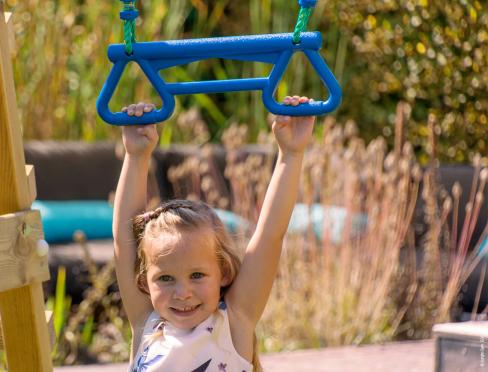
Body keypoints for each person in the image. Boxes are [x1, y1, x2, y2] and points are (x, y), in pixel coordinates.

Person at [113, 96, 316, 372]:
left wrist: (291, 154)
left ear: (224, 272)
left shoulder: (233, 323)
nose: (182, 293)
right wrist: (136, 156)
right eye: (165, 278)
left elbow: (270, 235)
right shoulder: (146, 324)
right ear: (144, 281)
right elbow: (124, 241)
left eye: (197, 275)